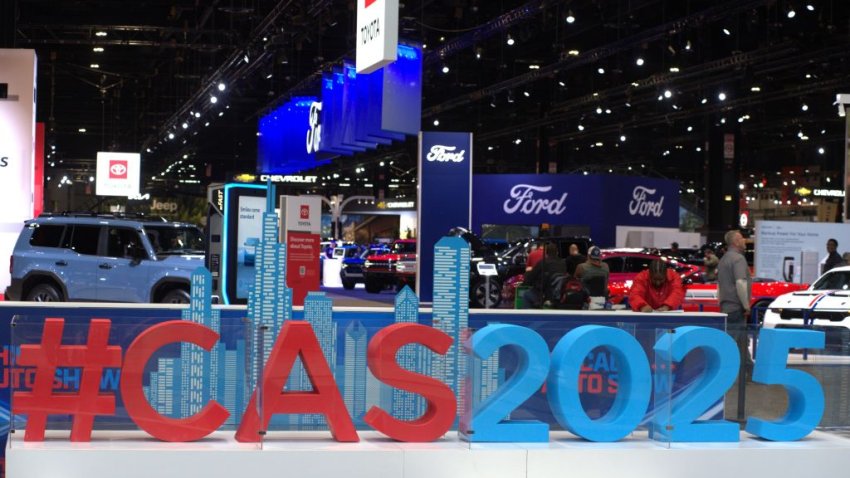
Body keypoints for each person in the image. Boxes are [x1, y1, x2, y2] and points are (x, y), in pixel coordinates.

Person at [718, 229, 753, 375]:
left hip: (726, 306)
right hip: (736, 307)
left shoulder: (724, 259)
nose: (744, 240)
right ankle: (724, 373)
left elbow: (719, 286)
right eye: (742, 238)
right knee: (735, 343)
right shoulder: (738, 259)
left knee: (740, 342)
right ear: (736, 242)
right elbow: (740, 283)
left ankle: (748, 371)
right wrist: (746, 305)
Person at [521, 243, 566, 308]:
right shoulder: (563, 263)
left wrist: (526, 279)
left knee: (526, 295)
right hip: (558, 295)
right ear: (557, 252)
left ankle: (527, 317)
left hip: (544, 295)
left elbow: (530, 277)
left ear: (546, 253)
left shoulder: (542, 263)